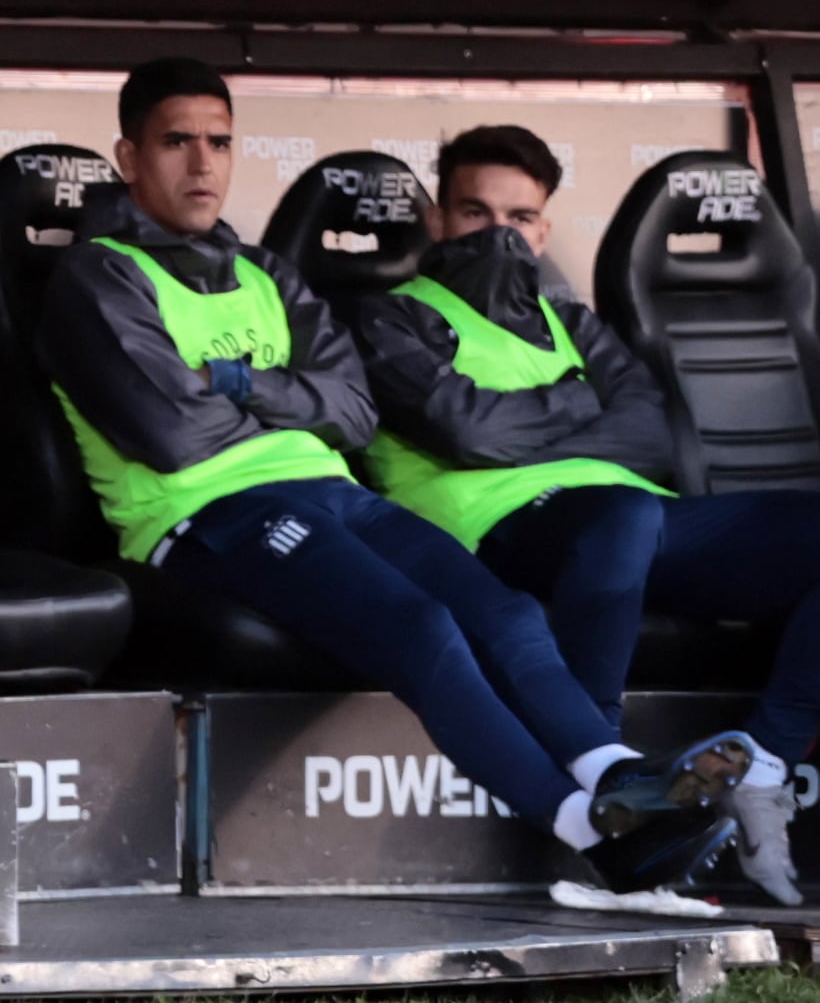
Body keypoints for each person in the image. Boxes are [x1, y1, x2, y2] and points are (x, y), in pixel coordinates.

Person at [38, 58, 750, 897]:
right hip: (210, 514)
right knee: (422, 627)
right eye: (176, 142)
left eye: (220, 142)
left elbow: (353, 414)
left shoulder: (271, 272)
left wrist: (239, 383)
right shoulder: (98, 276)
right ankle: (593, 836)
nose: (202, 164)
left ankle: (614, 772)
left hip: (335, 493)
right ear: (129, 157)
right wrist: (285, 402)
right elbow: (174, 433)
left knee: (506, 612)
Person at [348, 123, 816, 902]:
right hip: (490, 529)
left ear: (546, 228)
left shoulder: (574, 322)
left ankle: (763, 766)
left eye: (521, 219)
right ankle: (605, 778)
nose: (500, 236)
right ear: (437, 219)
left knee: (643, 513)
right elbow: (463, 429)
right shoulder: (390, 317)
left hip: (628, 520)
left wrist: (519, 421)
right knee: (623, 514)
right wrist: (574, 406)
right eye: (475, 214)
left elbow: (649, 432)